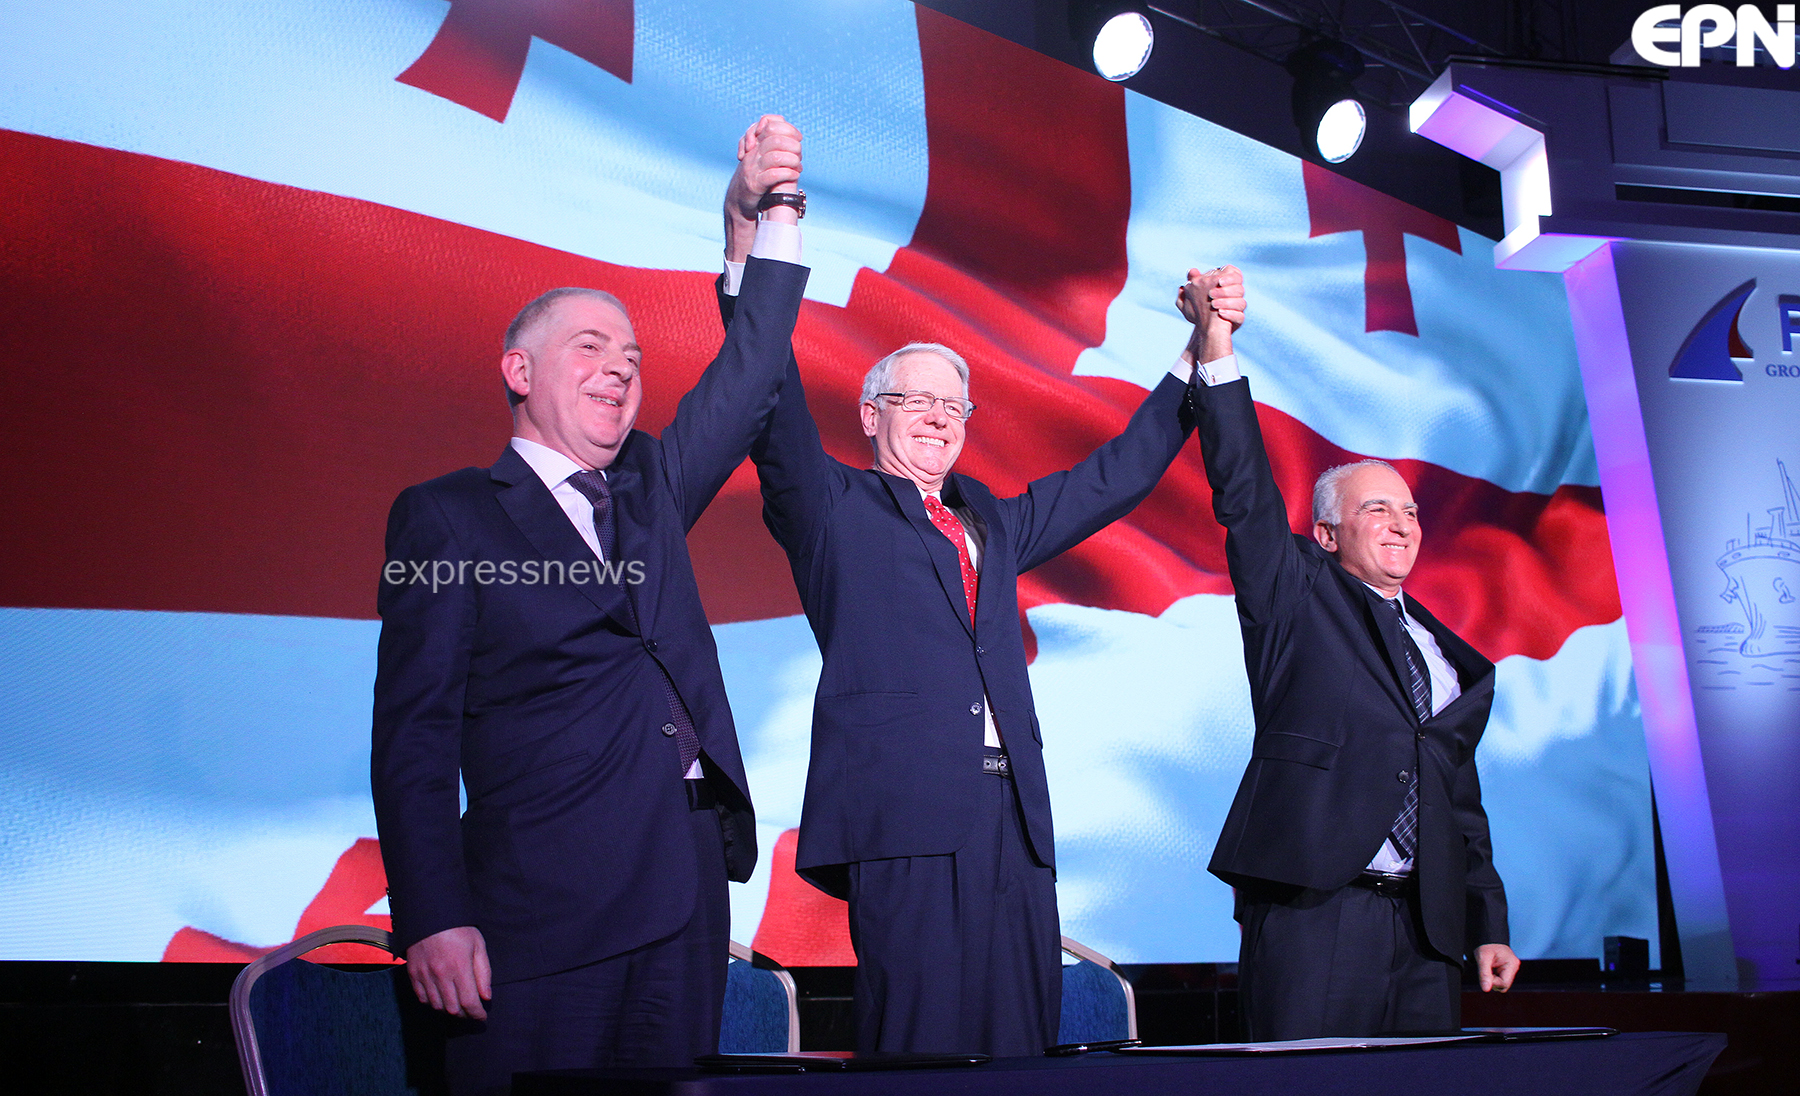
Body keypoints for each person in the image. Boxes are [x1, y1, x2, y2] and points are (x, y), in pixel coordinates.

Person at [371, 116, 809, 1093]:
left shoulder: (652, 482)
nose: (620, 365)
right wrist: (433, 914)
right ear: (519, 372)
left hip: (684, 890)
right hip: (539, 915)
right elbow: (414, 733)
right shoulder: (445, 517)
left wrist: (757, 226)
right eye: (589, 345)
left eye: (632, 354)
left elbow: (749, 377)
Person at [725, 255, 1245, 1056]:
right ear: (869, 415)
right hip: (908, 819)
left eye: (954, 405)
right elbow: (771, 393)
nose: (939, 417)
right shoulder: (831, 505)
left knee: (1021, 1043)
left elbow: (1115, 476)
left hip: (1015, 818)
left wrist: (1196, 349)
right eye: (917, 400)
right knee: (923, 1042)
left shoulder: (992, 523)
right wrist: (751, 256)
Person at [1184, 267, 1521, 1039]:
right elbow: (1245, 493)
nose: (1401, 523)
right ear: (1327, 534)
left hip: (1428, 929)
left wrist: (1487, 922)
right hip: (1315, 911)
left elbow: (1456, 797)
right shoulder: (1295, 595)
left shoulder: (1442, 654)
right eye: (1377, 509)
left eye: (1409, 511)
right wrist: (1217, 346)